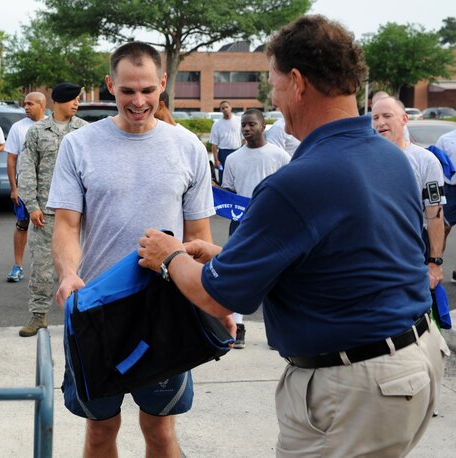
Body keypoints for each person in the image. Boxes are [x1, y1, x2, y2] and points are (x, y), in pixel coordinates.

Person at [137, 16, 448, 457]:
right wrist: (232, 255)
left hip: (356, 386)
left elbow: (217, 295)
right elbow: (346, 258)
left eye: (274, 82)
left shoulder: (298, 181)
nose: (273, 97)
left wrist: (169, 255)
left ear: (297, 83)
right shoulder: (389, 156)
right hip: (413, 361)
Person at [49, 42, 216, 457]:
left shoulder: (188, 147)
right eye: (127, 91)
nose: (138, 101)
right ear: (110, 86)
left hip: (165, 310)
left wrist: (210, 302)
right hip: (98, 311)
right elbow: (67, 225)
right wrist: (69, 273)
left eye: (147, 90)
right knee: (100, 430)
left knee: (160, 430)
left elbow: (199, 237)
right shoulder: (80, 145)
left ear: (162, 84)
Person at [17, 83, 87, 337]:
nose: (76, 104)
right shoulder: (36, 132)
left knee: (81, 265)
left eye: (78, 99)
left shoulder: (84, 131)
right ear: (58, 101)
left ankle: (81, 315)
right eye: (72, 99)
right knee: (42, 266)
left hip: (78, 212)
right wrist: (32, 205)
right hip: (46, 212)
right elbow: (26, 170)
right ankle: (38, 316)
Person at [221, 108, 289, 348]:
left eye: (251, 124)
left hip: (272, 224)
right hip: (240, 224)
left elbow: (289, 191)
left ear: (263, 126)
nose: (247, 129)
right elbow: (228, 191)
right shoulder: (233, 158)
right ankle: (238, 328)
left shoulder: (279, 156)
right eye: (244, 125)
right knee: (239, 276)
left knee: (276, 276)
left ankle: (277, 330)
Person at [372, 96, 445, 289]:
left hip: (412, 247)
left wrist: (435, 262)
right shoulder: (364, 160)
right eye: (375, 117)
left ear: (404, 119)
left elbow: (435, 214)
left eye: (387, 116)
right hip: (373, 248)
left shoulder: (426, 160)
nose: (380, 122)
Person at [5, 92, 47, 283]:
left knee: (52, 227)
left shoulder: (51, 125)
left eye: (30, 104)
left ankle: (53, 268)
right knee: (22, 224)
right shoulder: (18, 128)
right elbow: (11, 159)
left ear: (41, 105)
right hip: (25, 186)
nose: (26, 107)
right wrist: (14, 188)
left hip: (48, 186)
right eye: (25, 104)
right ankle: (18, 266)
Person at [435, 128, 456, 281]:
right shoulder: (445, 139)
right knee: (443, 228)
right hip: (450, 190)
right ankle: (436, 266)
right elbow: (438, 164)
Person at [209, 99, 242, 179]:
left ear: (231, 108)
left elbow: (245, 139)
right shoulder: (217, 124)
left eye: (226, 107)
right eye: (223, 108)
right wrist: (216, 160)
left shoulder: (239, 120)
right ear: (221, 110)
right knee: (224, 177)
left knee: (237, 175)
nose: (225, 109)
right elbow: (214, 144)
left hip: (237, 151)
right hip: (223, 153)